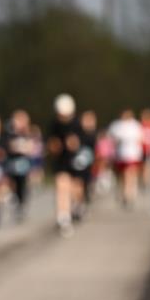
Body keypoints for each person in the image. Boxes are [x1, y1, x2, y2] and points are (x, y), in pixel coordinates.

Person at [47, 94, 82, 237]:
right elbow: (50, 144)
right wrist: (55, 146)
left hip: (76, 161)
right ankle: (63, 217)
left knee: (76, 189)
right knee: (62, 186)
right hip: (61, 161)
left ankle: (76, 207)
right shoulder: (54, 125)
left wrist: (74, 144)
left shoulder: (77, 124)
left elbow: (82, 144)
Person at [108, 109, 144, 209]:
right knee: (122, 176)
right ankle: (124, 192)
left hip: (133, 155)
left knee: (130, 174)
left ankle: (129, 195)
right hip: (120, 156)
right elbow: (111, 139)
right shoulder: (116, 126)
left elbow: (141, 139)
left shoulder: (135, 126)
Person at [4, 109, 35, 222]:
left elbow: (32, 149)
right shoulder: (9, 134)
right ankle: (15, 201)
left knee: (22, 185)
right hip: (12, 164)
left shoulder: (29, 133)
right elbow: (7, 147)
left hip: (24, 165)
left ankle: (21, 205)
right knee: (12, 184)